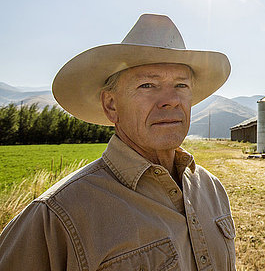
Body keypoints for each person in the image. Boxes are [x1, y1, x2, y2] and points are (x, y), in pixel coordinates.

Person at [0, 14, 236, 271]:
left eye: (181, 85)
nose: (171, 100)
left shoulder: (212, 189)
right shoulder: (58, 215)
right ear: (111, 105)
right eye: (148, 85)